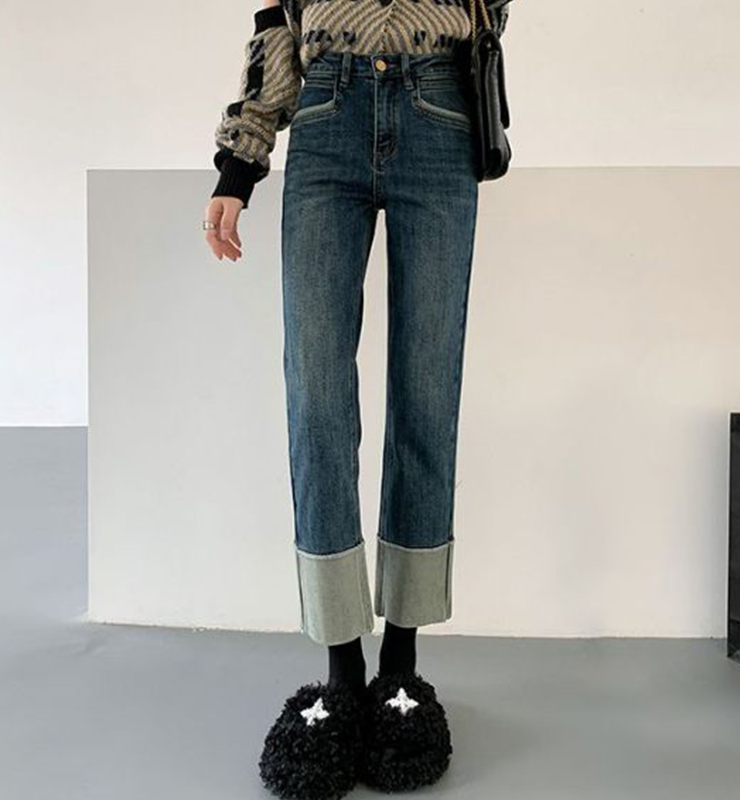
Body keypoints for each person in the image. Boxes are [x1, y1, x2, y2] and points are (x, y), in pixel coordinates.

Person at [203, 1, 513, 797]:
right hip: (326, 112)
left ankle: (400, 669)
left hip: (439, 109)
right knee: (317, 402)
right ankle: (341, 671)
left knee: (426, 396)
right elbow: (276, 24)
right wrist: (239, 165)